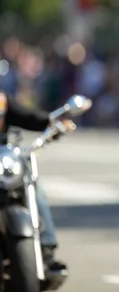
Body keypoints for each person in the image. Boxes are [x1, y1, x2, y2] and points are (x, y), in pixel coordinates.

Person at [0, 92, 67, 273]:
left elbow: (29, 117)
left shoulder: (2, 102)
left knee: (30, 182)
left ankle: (46, 250)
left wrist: (53, 123)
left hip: (3, 163)